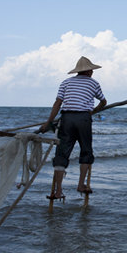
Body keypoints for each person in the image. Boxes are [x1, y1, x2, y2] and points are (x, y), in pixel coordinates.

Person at [40, 56, 107, 199]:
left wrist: (48, 122)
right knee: (86, 151)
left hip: (67, 119)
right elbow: (104, 102)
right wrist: (92, 111)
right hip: (83, 118)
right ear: (89, 71)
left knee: (62, 154)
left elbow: (57, 104)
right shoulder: (94, 83)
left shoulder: (66, 82)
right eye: (91, 70)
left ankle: (58, 191)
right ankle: (81, 185)